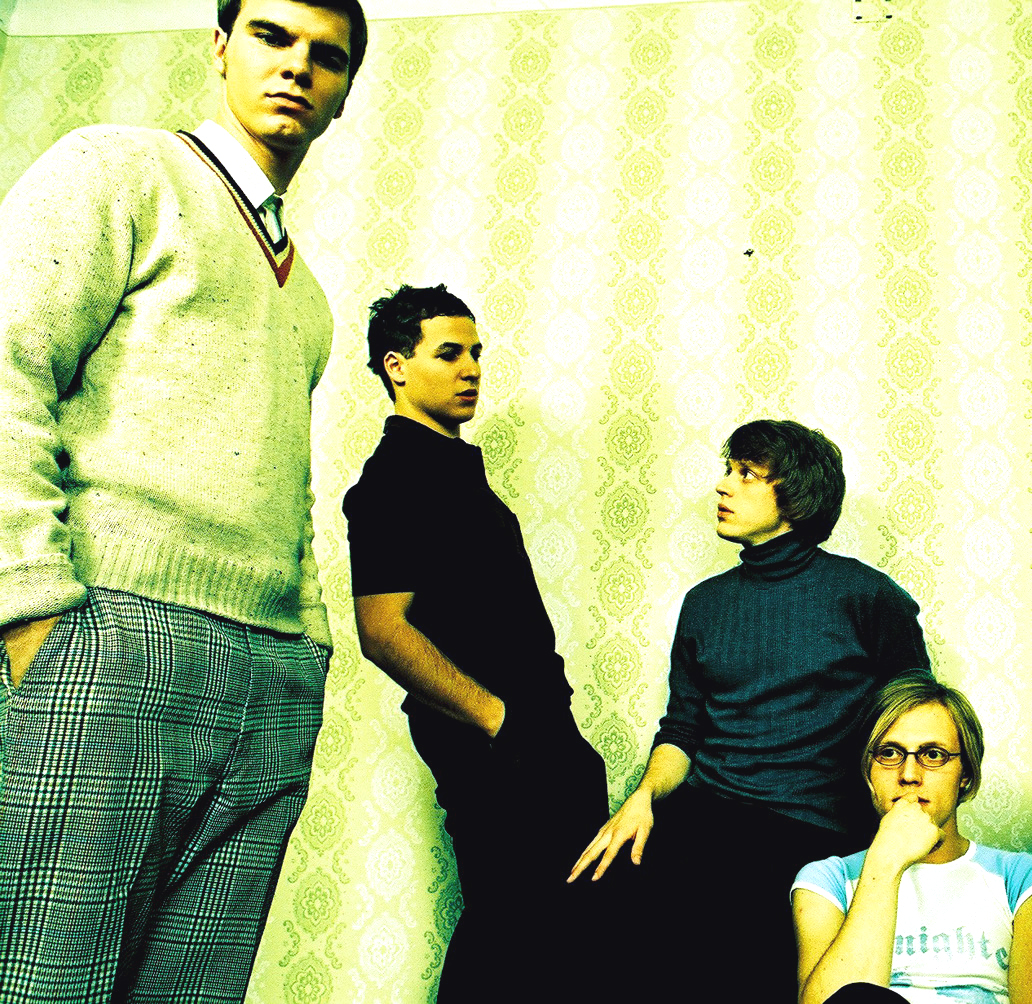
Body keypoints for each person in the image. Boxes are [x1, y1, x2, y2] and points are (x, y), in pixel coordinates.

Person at [0, 1, 364, 1000]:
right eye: (271, 36)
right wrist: (30, 609)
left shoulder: (309, 299)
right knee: (42, 983)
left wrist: (309, 642)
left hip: (272, 674)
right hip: (108, 639)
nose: (297, 66)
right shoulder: (119, 167)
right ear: (220, 47)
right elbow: (7, 365)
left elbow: (286, 487)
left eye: (327, 56)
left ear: (342, 94)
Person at [570, 419, 931, 1001]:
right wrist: (643, 797)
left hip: (809, 826)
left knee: (729, 948)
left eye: (746, 474)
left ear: (796, 494)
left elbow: (917, 720)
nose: (723, 486)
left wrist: (899, 825)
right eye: (727, 470)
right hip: (704, 811)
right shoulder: (704, 604)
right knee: (588, 909)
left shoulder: (868, 597)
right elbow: (682, 729)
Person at [343, 284, 611, 1000]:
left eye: (476, 353)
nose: (471, 369)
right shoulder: (395, 478)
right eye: (448, 354)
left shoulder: (453, 469)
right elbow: (381, 630)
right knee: (512, 930)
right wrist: (500, 720)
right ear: (397, 366)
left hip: (535, 733)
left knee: (546, 940)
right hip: (499, 743)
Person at [792, 674, 1032, 1004]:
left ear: (965, 774)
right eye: (889, 753)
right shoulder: (827, 880)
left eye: (932, 754)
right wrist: (884, 865)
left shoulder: (1024, 878)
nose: (909, 775)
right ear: (868, 771)